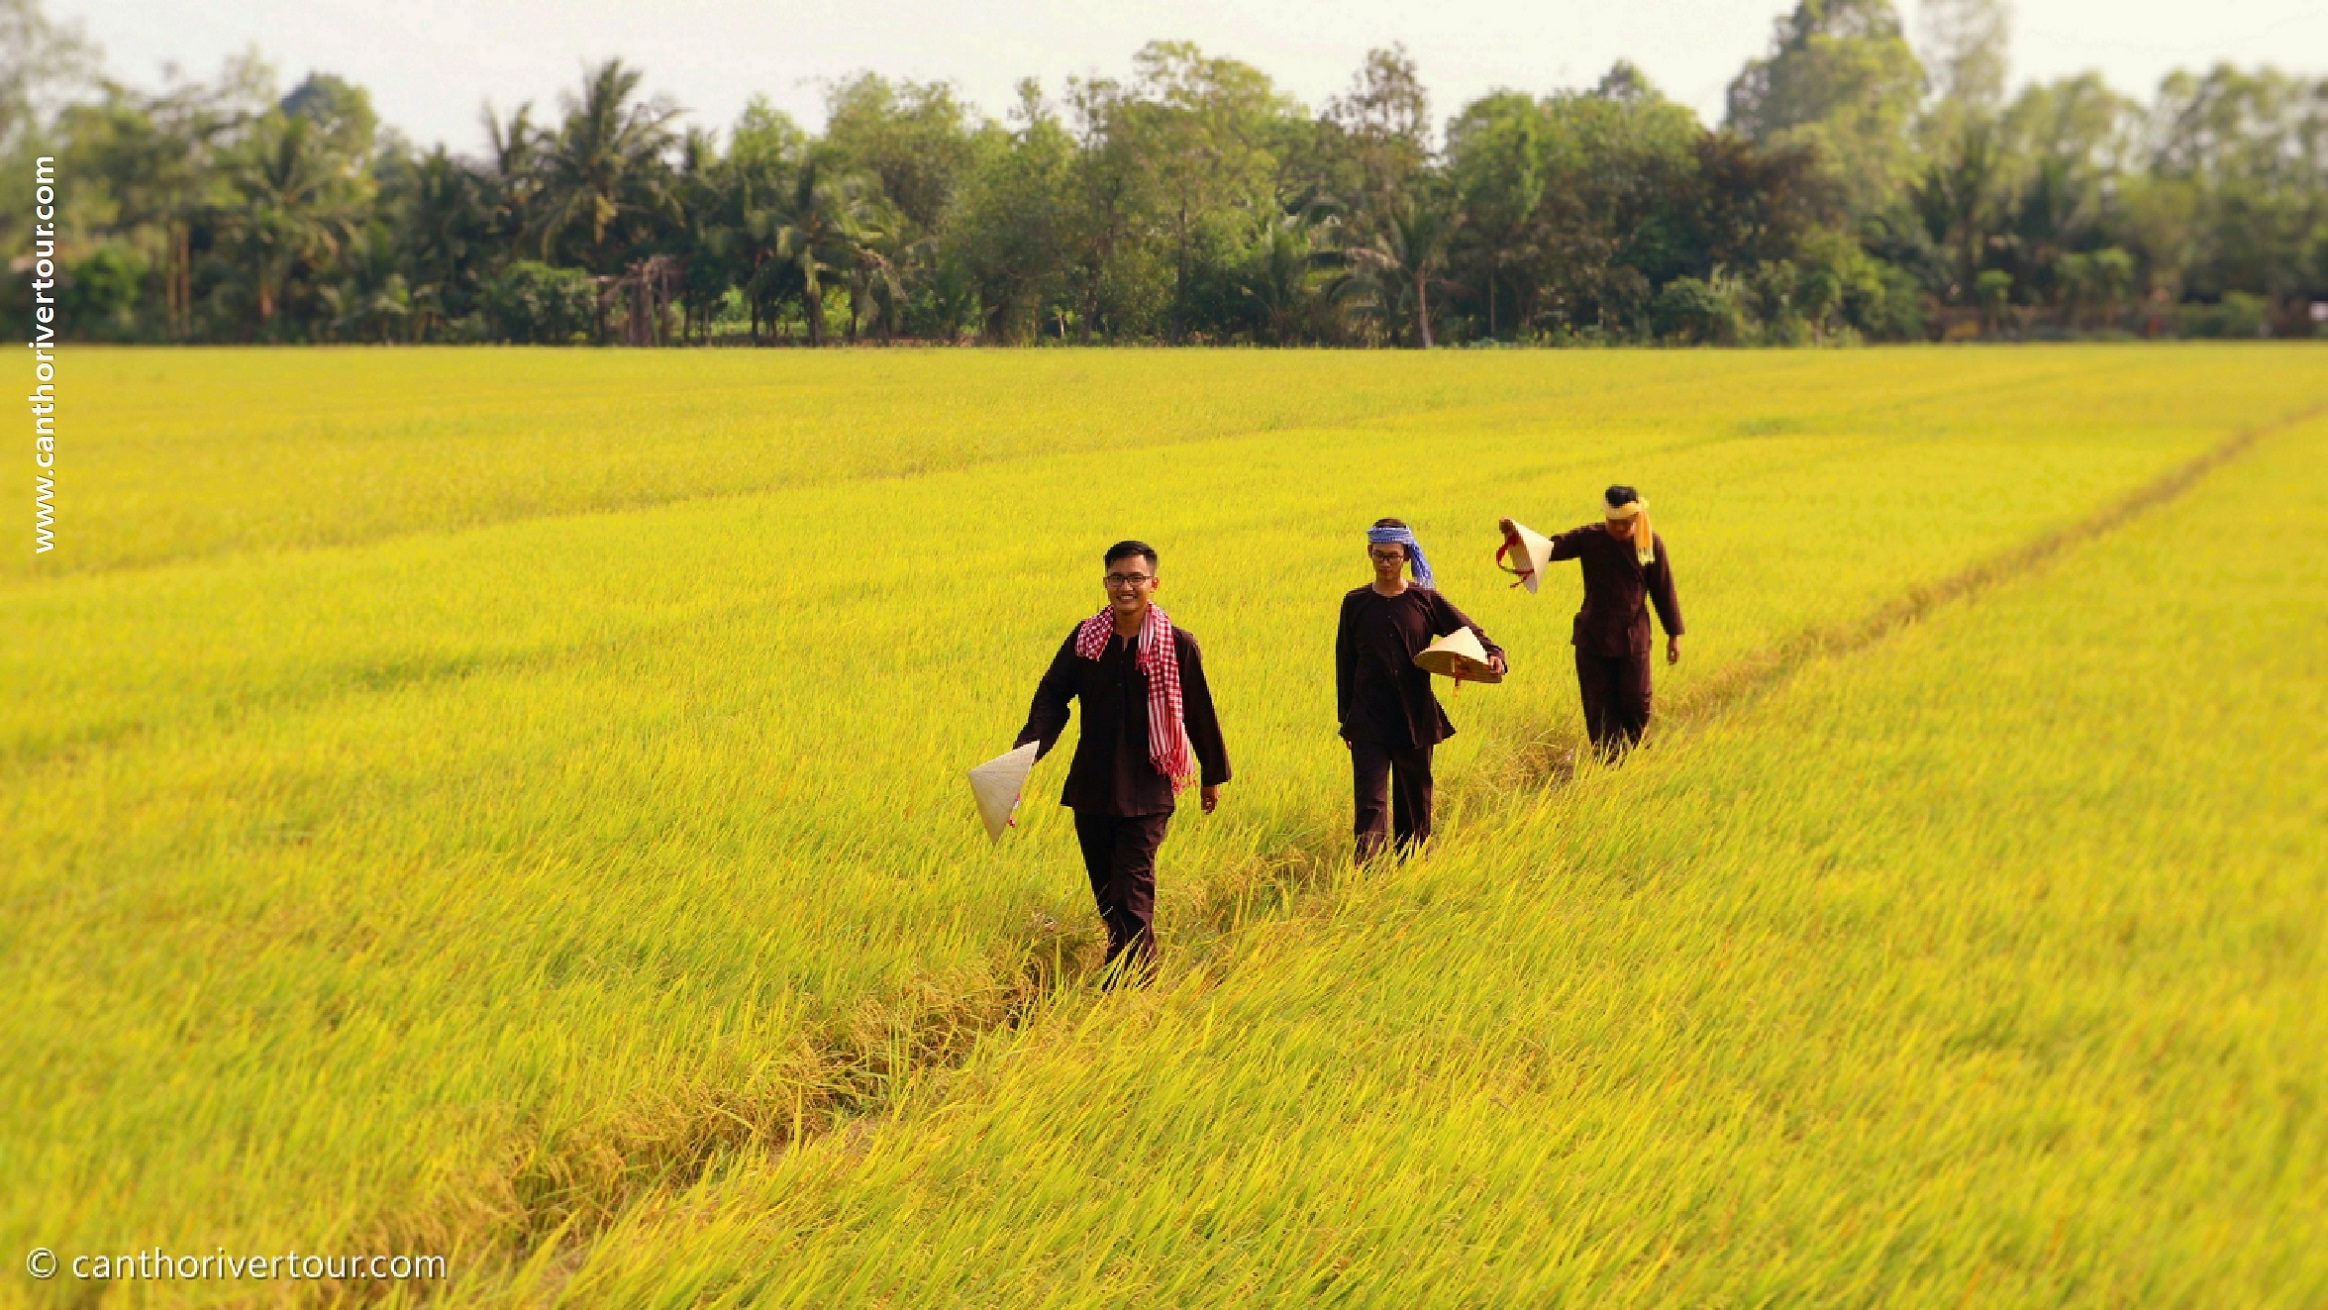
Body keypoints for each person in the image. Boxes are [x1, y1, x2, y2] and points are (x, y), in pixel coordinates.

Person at [1017, 540, 1231, 985]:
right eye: (1117, 578)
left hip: (1149, 789)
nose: (1126, 587)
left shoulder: (1176, 644)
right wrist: (1021, 760)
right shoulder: (1086, 639)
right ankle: (1134, 976)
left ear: (1153, 583)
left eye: (1135, 578)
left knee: (1132, 894)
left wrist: (1211, 776)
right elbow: (1052, 699)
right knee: (1109, 898)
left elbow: (1198, 711)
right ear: (1105, 583)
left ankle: (1128, 991)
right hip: (1092, 787)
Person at [1335, 518, 1507, 862]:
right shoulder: (1355, 603)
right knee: (1370, 805)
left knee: (1415, 803)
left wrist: (1494, 655)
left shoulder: (1425, 600)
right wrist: (1346, 720)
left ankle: (1411, 871)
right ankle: (1367, 876)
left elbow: (1469, 631)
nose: (1386, 564)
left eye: (1393, 557)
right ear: (1370, 553)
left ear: (1407, 557)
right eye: (1380, 556)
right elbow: (1345, 662)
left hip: (1414, 716)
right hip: (1368, 718)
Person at [1500, 485, 1682, 757]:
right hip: (1593, 636)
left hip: (1633, 637)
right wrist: (1514, 534)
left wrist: (1673, 635)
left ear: (1635, 519)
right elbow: (1550, 548)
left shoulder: (1649, 543)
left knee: (1636, 701)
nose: (1619, 529)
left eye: (1624, 524)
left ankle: (1638, 751)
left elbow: (1662, 589)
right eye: (1613, 523)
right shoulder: (1590, 537)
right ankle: (1609, 762)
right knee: (1599, 705)